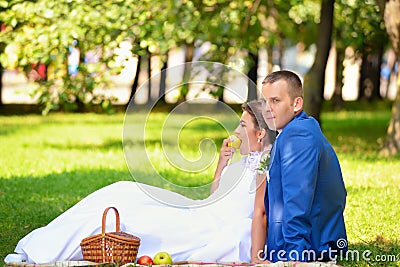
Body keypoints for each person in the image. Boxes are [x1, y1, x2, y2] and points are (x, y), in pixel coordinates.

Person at [5, 100, 276, 264]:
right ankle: (40, 240)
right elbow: (216, 194)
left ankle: (39, 252)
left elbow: (256, 216)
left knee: (125, 218)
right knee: (122, 189)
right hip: (198, 208)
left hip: (202, 226)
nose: (235, 131)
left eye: (242, 125)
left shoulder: (265, 168)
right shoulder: (244, 161)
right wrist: (221, 166)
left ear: (260, 133)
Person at [255, 70, 347, 263]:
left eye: (276, 101)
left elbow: (298, 200)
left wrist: (294, 257)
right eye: (265, 102)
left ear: (296, 103)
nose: (267, 109)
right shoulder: (299, 128)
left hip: (311, 247)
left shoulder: (297, 136)